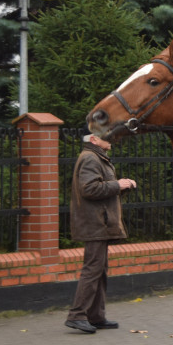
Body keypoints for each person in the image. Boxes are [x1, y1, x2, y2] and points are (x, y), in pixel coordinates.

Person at [65, 133, 137, 333]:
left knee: (99, 269)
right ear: (94, 139)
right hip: (94, 223)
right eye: (107, 137)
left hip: (99, 222)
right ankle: (77, 315)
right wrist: (117, 184)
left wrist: (122, 186)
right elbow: (89, 189)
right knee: (92, 269)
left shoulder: (97, 157)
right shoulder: (90, 157)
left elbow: (100, 190)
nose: (112, 140)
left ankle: (95, 316)